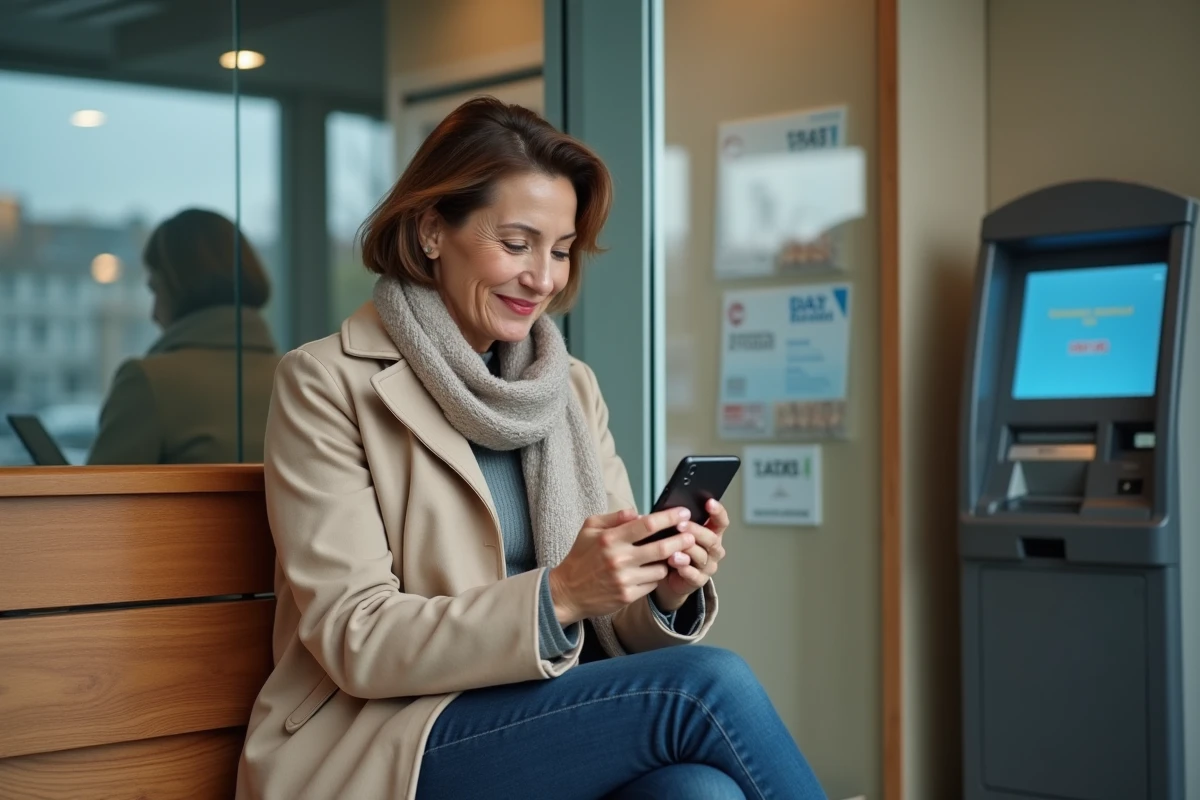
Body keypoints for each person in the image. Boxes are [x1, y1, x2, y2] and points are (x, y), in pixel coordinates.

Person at [237, 97, 827, 800]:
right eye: (516, 244)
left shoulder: (567, 389)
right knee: (707, 688)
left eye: (560, 250)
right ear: (432, 230)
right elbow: (357, 637)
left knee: (697, 792)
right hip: (390, 738)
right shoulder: (326, 384)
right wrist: (558, 595)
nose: (543, 278)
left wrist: (664, 591)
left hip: (540, 718)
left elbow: (611, 615)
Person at [88, 209, 280, 464]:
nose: (154, 314)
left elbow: (96, 502)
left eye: (156, 289)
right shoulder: (302, 381)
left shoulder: (148, 382)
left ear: (179, 287)